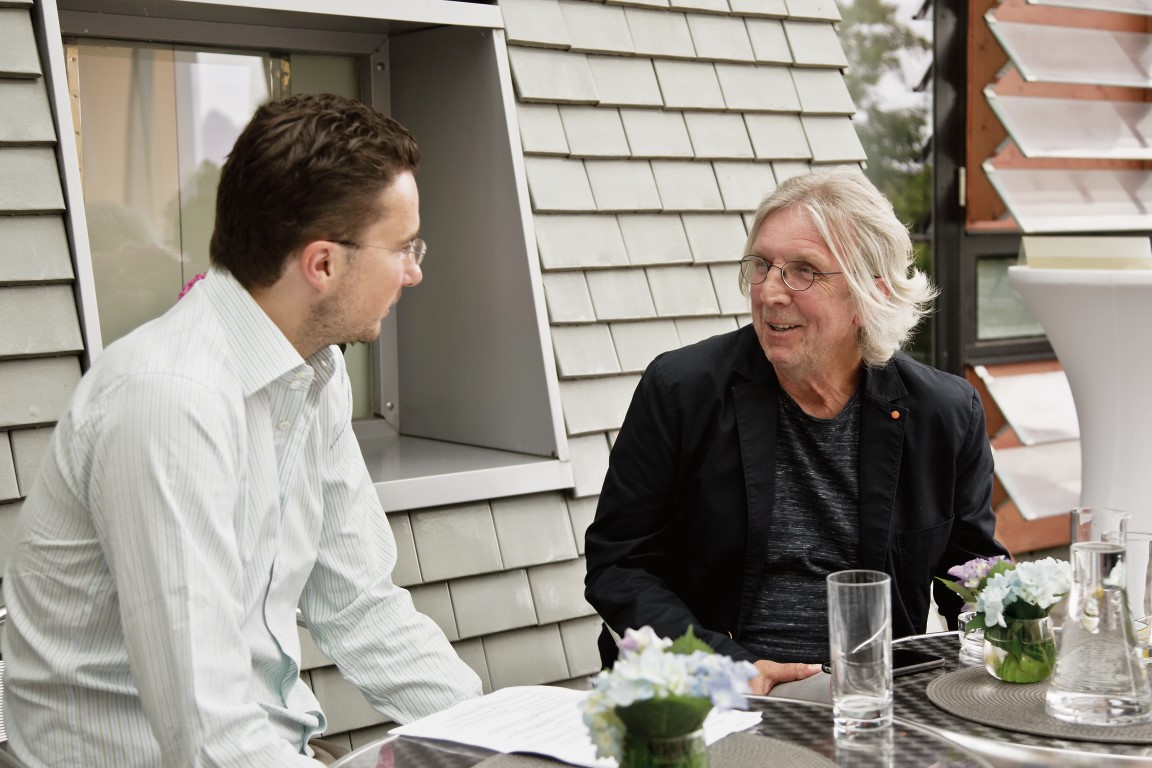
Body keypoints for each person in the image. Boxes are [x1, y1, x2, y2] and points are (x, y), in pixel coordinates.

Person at [2, 93, 482, 767]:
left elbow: (359, 604)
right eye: (404, 247)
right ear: (323, 263)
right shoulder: (169, 403)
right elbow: (208, 736)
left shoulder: (316, 373)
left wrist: (497, 737)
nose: (415, 270)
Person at [584, 167, 1006, 694]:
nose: (769, 293)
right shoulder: (681, 391)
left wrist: (1010, 651)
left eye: (803, 271)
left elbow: (974, 577)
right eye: (762, 266)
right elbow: (619, 566)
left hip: (871, 696)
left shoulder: (944, 412)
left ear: (869, 295)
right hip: (716, 690)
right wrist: (724, 664)